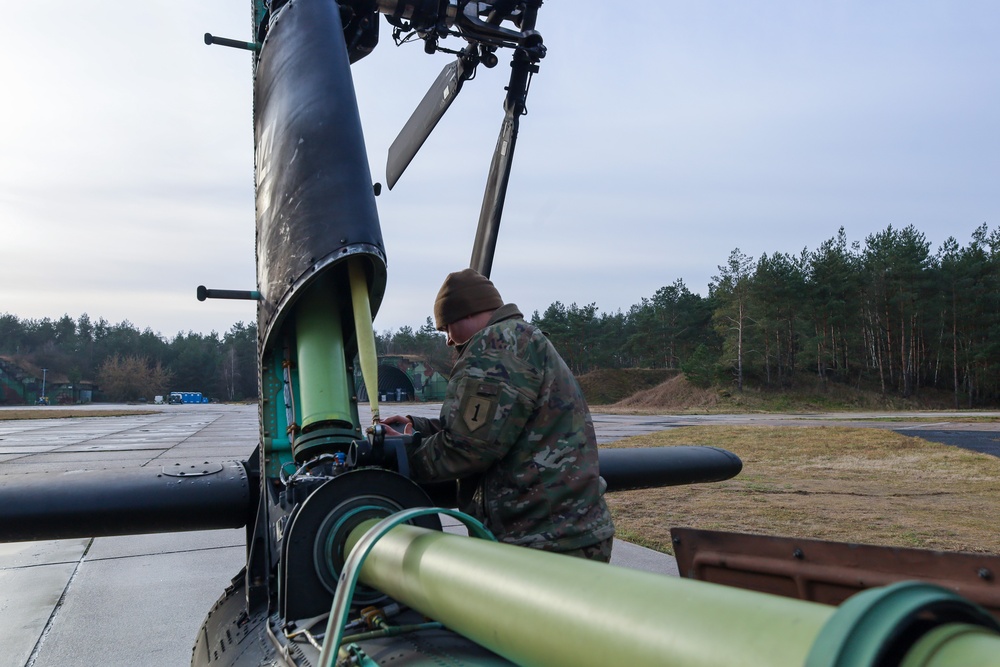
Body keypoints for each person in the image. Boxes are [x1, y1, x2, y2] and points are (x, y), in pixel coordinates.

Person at [382, 268, 615, 562]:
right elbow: (486, 426)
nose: (448, 341)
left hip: (544, 541)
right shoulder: (518, 340)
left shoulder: (495, 346)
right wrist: (417, 427)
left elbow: (468, 448)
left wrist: (403, 457)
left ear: (464, 314)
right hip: (561, 531)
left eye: (446, 329)